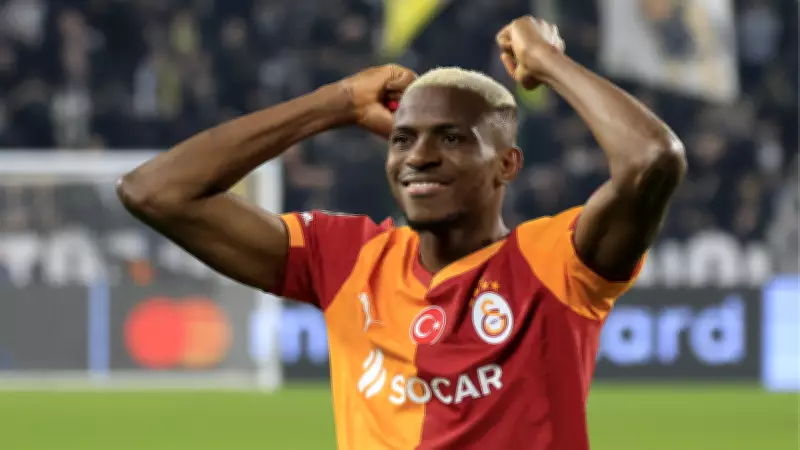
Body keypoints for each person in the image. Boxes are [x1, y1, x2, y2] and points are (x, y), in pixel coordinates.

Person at [118, 15, 686, 450]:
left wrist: (547, 61)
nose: (419, 156)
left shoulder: (556, 264)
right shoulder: (347, 259)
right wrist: (336, 103)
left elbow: (652, 158)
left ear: (507, 165)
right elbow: (154, 191)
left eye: (452, 138)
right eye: (402, 138)